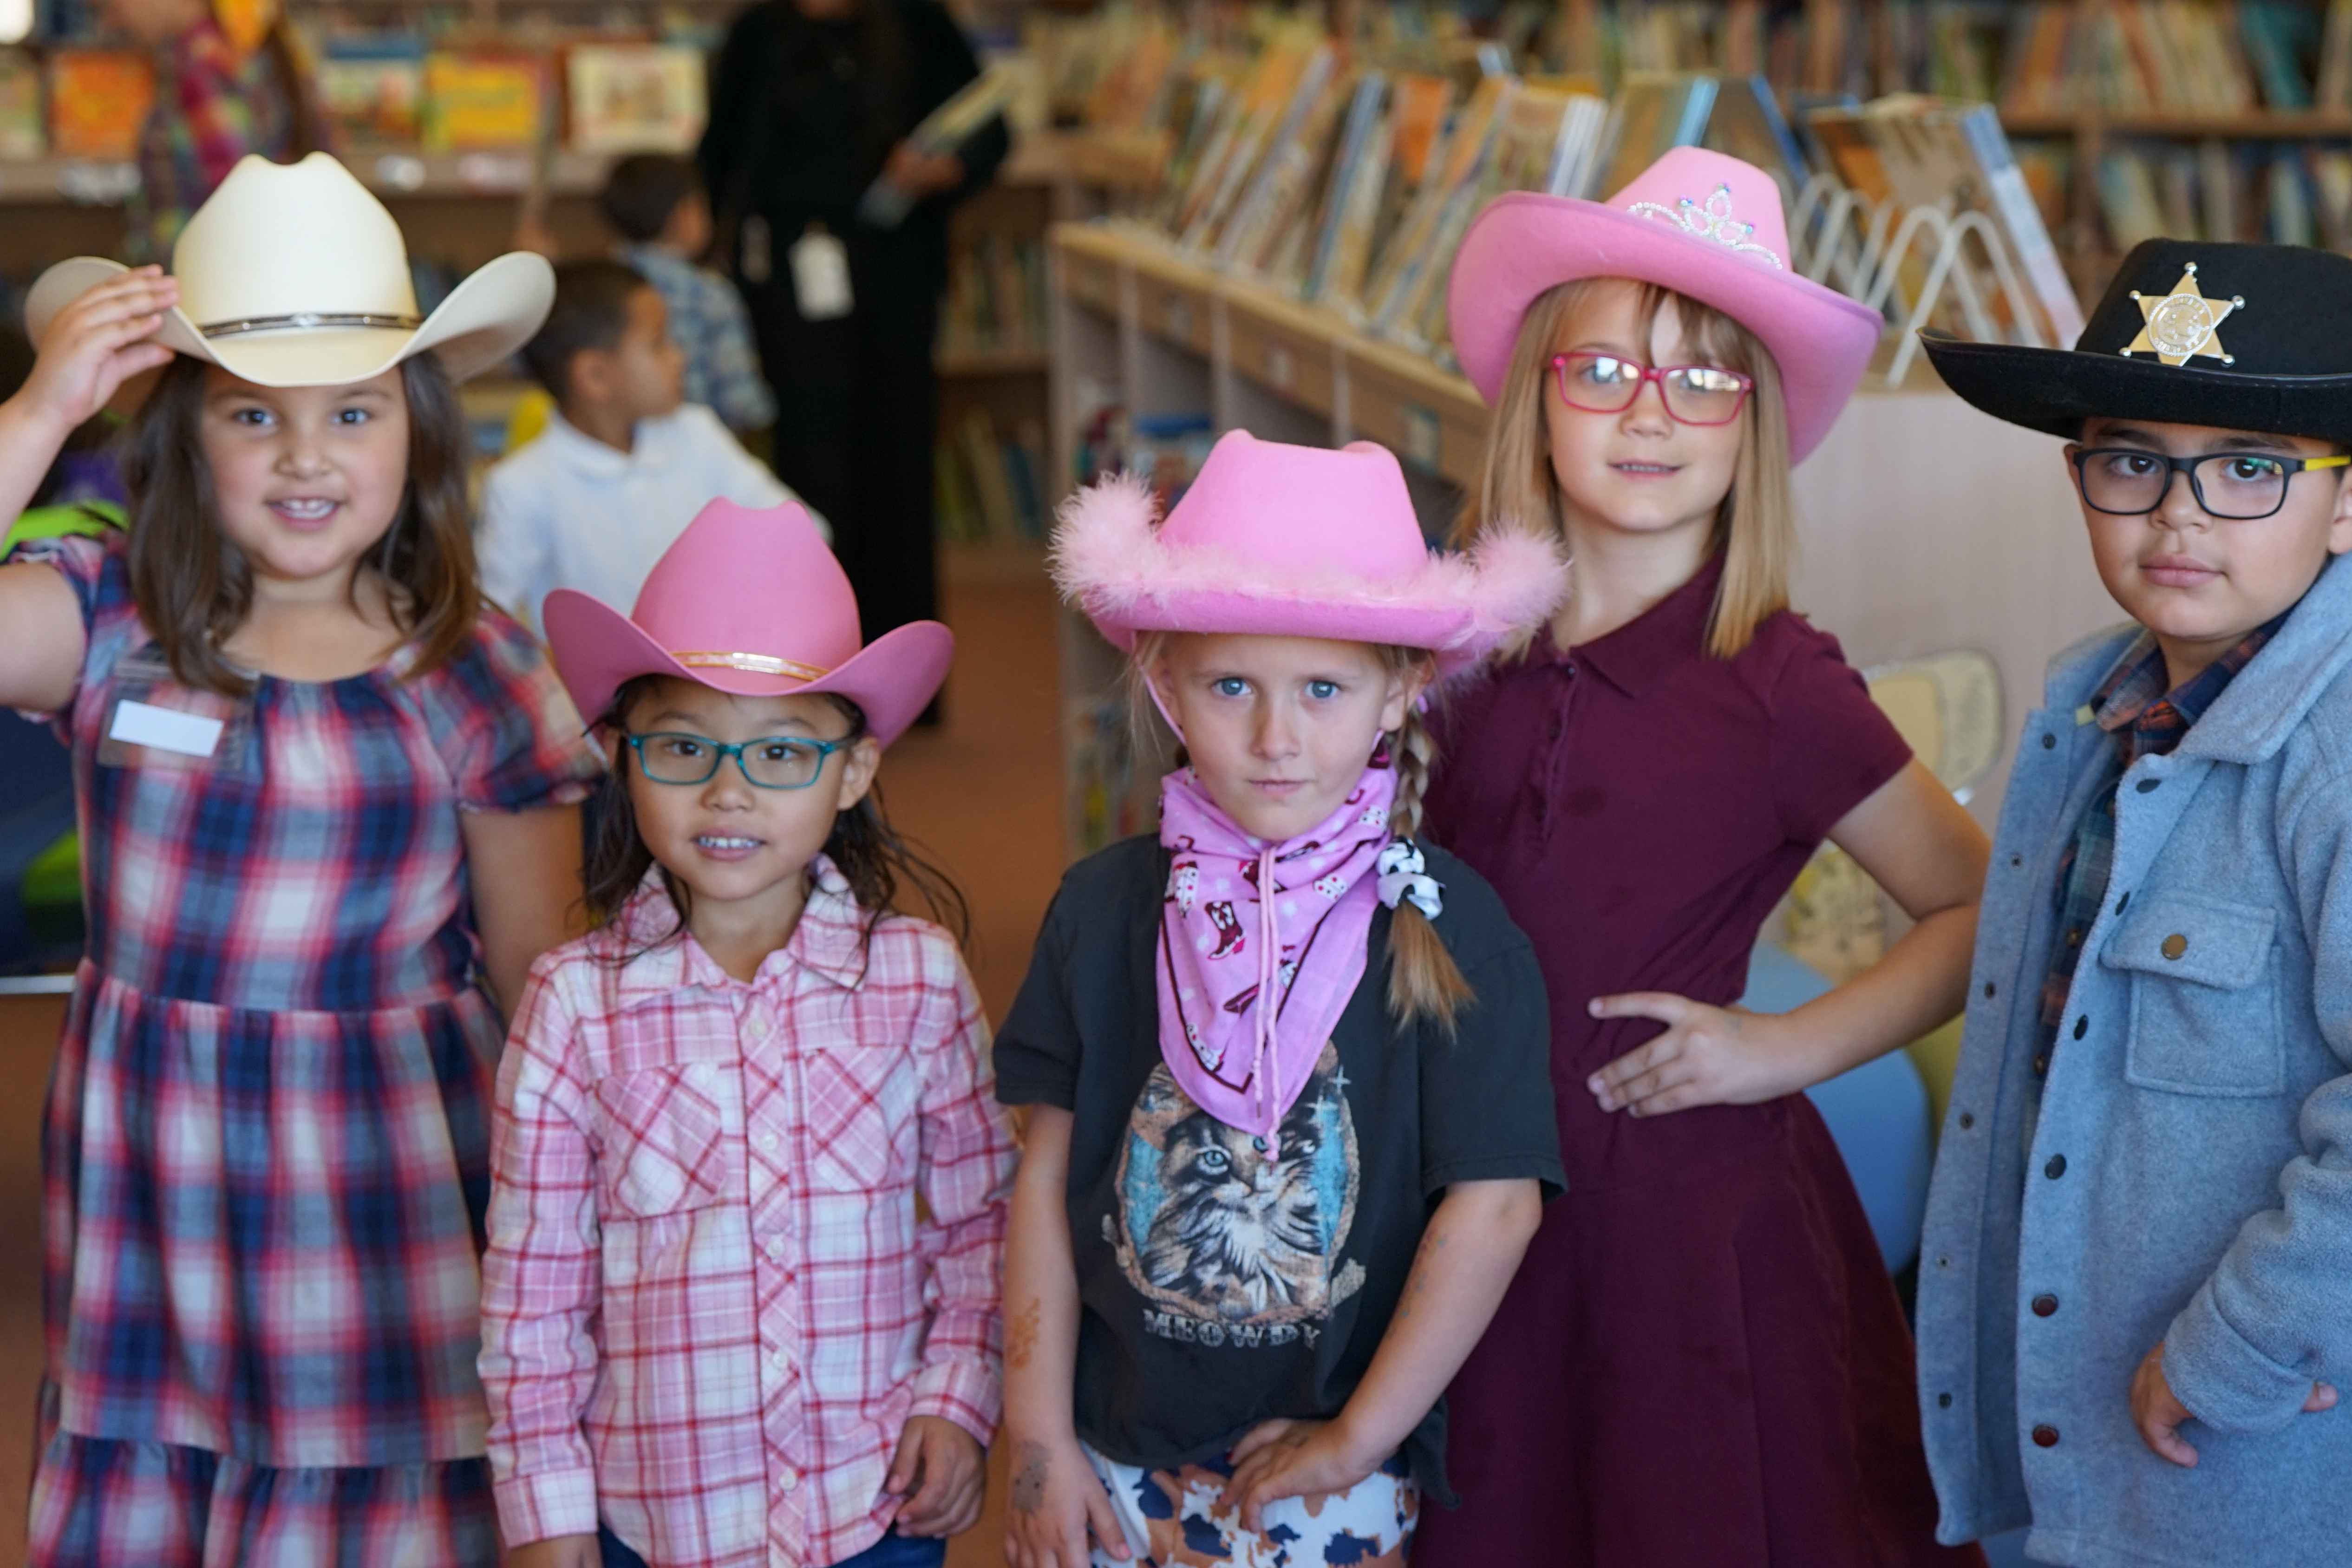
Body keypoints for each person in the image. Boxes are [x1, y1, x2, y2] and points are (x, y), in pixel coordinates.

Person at [0, 151, 596, 1565]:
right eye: (251, 415)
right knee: (164, 1474)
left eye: (354, 411)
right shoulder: (107, 616)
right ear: (180, 439)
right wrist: (43, 408)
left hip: (383, 1183)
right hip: (155, 1174)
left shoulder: (482, 673)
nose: (306, 454)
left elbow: (540, 983)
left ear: (420, 430)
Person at [1414, 146, 1994, 1567]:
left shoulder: (1777, 684)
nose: (1649, 413)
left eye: (1700, 378)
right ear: (1535, 400)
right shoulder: (1448, 645)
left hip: (1682, 1234)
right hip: (1461, 1203)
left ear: (1753, 422)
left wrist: (1785, 1048)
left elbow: (1982, 899)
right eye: (1602, 372)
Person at [995, 430, 1570, 1568]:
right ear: (1165, 683)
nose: (1274, 737)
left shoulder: (1454, 931)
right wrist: (1035, 1438)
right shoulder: (1098, 910)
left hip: (1331, 1477)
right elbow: (1046, 1178)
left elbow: (1494, 1208)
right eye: (1228, 686)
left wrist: (1361, 1436)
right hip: (1113, 1456)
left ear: (1399, 692)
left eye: (1321, 688)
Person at [1913, 240, 2352, 1566]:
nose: (2179, 515)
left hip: (2239, 1446)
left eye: (2250, 466)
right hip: (2074, 1408)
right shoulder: (2091, 710)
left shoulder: (2330, 765)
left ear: (2345, 505)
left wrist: (2239, 1346)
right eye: (2132, 458)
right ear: (2080, 475)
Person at [479, 497, 1016, 1568]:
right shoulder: (574, 1005)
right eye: (683, 747)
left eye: (781, 753)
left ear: (854, 772)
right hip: (658, 1516)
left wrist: (960, 1400)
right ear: (620, 756)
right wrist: (543, 1512)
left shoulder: (914, 979)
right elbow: (531, 1288)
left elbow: (979, 1226)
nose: (728, 792)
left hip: (871, 1509)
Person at [700, 0, 1007, 645]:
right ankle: (812, 654)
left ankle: (900, 659)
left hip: (894, 272)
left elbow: (990, 131)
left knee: (897, 457)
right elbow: (719, 153)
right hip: (787, 277)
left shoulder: (920, 22)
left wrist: (941, 172)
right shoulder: (758, 31)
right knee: (806, 462)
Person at [477, 258, 814, 636]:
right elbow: (488, 616)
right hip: (590, 695)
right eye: (659, 344)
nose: (679, 357)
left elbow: (802, 531)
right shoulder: (522, 486)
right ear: (595, 376)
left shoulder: (697, 436)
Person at [97, 0, 325, 263]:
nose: (111, 22)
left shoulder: (199, 73)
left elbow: (233, 214)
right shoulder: (239, 50)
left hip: (208, 288)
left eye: (110, 6)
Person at [600, 153, 778, 435]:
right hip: (693, 453)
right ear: (685, 213)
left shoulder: (596, 287)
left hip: (610, 446)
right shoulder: (709, 294)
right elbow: (741, 404)